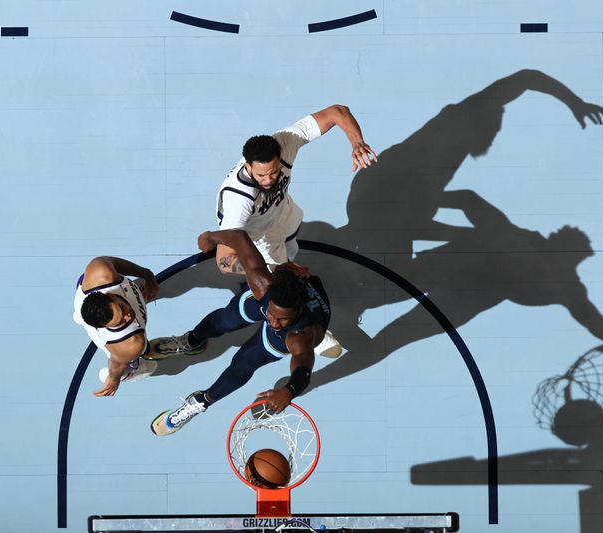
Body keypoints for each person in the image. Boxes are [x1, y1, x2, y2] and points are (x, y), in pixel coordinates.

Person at [149, 229, 330, 436]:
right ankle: (193, 340)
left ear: (296, 312)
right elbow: (240, 238)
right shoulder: (263, 286)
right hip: (281, 289)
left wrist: (289, 390)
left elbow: (303, 370)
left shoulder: (301, 336)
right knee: (226, 319)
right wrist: (210, 237)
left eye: (282, 319)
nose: (274, 322)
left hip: (304, 318)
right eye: (272, 315)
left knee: (245, 362)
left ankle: (201, 402)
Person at [215, 104, 377, 275]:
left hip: (282, 210)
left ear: (280, 156)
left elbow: (338, 111)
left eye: (274, 172)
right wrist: (272, 268)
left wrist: (357, 143)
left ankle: (287, 260)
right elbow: (224, 262)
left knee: (291, 247)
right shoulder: (238, 200)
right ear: (248, 166)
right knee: (278, 285)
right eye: (261, 175)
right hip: (257, 237)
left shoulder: (285, 141)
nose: (268, 180)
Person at [73, 256, 167, 397]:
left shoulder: (101, 271)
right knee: (130, 361)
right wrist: (114, 378)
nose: (128, 316)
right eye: (120, 322)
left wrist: (147, 274)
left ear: (111, 295)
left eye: (122, 309)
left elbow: (116, 263)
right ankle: (131, 373)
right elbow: (117, 364)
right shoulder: (129, 344)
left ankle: (78, 316)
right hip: (119, 345)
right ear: (104, 327)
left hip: (84, 299)